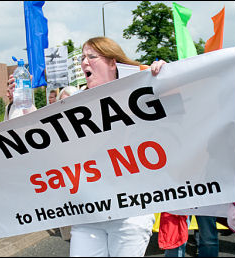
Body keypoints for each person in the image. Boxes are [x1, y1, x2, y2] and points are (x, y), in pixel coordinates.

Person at [69, 36, 166, 257]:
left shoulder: (142, 90)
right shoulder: (74, 103)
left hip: (131, 213)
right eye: (82, 58)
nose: (84, 62)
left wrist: (166, 77)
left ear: (113, 63)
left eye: (91, 56)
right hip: (88, 214)